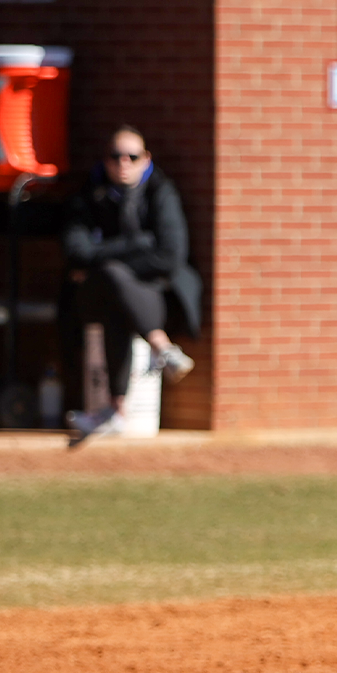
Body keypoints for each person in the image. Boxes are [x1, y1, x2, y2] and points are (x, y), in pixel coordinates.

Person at [60, 125, 203, 442]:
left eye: (132, 157)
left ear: (146, 158)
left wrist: (107, 261)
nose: (123, 163)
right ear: (106, 160)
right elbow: (76, 251)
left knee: (114, 286)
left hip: (156, 295)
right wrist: (139, 244)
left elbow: (170, 257)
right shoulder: (90, 194)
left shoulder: (161, 192)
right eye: (115, 157)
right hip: (99, 295)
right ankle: (162, 347)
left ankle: (116, 411)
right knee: (112, 281)